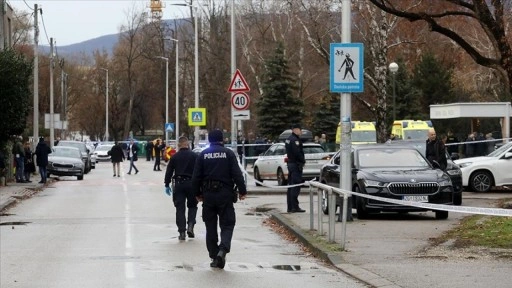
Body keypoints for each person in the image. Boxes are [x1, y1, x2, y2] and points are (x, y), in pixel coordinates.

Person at [192, 129, 247, 269]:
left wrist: (197, 193)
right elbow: (237, 174)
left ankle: (214, 255)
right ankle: (223, 250)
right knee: (227, 224)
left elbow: (196, 177)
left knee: (210, 226)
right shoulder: (228, 153)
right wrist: (242, 190)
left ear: (209, 140)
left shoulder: (203, 154)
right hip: (225, 194)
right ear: (222, 140)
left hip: (208, 195)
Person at [164, 136, 198, 241]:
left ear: (179, 145)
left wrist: (167, 184)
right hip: (192, 184)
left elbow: (169, 171)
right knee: (192, 206)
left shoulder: (175, 157)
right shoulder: (194, 156)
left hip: (179, 184)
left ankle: (182, 231)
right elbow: (199, 171)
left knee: (180, 209)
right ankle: (191, 225)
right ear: (187, 144)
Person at [285, 124, 306, 213]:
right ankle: (294, 207)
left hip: (291, 164)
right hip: (295, 164)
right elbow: (297, 153)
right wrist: (302, 160)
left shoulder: (288, 139)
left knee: (291, 186)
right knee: (295, 186)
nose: (301, 132)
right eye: (300, 130)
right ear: (296, 130)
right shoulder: (295, 140)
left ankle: (290, 206)